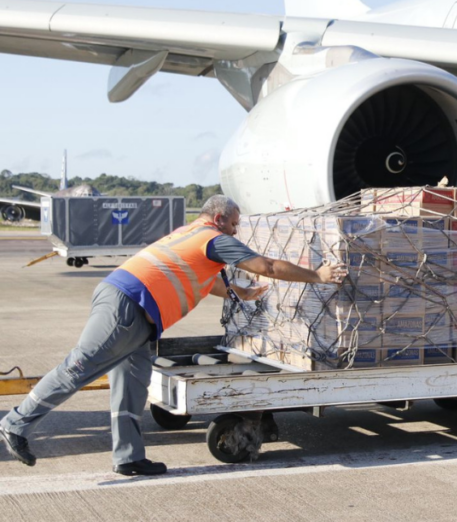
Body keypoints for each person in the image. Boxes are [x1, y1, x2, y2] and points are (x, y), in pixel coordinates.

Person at [0, 195, 346, 476]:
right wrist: (317, 275)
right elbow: (266, 266)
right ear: (220, 218)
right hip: (128, 306)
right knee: (80, 367)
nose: (237, 230)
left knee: (131, 387)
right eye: (235, 224)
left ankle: (128, 457)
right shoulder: (213, 238)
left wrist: (237, 292)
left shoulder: (187, 234)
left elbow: (201, 279)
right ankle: (15, 423)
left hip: (137, 315)